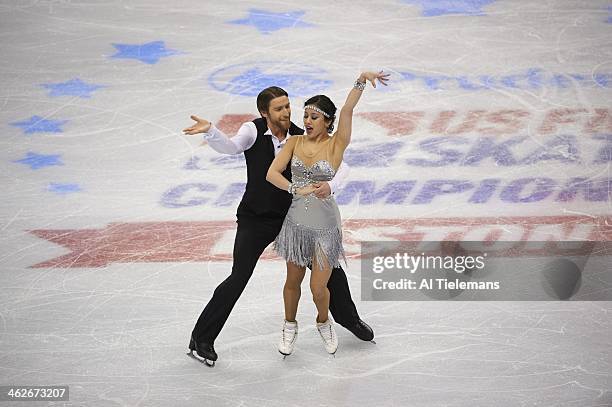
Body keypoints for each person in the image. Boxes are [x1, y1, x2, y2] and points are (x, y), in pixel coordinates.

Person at [182, 86, 374, 366]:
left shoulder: (300, 134)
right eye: (279, 109)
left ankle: (349, 319)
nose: (286, 113)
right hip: (256, 218)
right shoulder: (253, 130)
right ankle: (202, 339)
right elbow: (232, 147)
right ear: (264, 112)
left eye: (287, 107)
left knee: (330, 270)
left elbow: (339, 162)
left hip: (291, 218)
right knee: (239, 276)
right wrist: (212, 130)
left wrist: (330, 185)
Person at [266, 71, 389, 356]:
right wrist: (293, 189)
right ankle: (289, 325)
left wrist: (361, 79)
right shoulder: (294, 142)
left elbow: (347, 109)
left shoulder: (336, 144)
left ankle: (324, 321)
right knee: (292, 282)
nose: (307, 121)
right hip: (295, 224)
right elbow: (272, 173)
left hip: (325, 226)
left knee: (319, 288)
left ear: (328, 122)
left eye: (314, 117)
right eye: (306, 115)